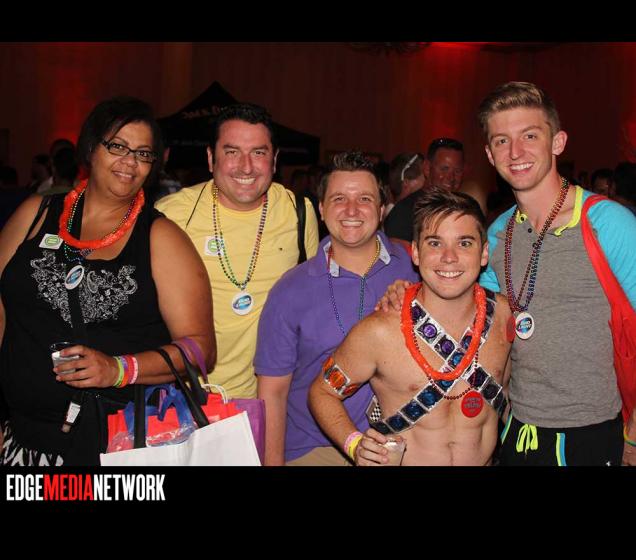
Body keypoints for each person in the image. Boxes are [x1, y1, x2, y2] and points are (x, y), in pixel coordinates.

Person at [0, 96, 215, 465]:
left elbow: (200, 350)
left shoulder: (161, 239)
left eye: (143, 153)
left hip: (111, 450)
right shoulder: (34, 215)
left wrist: (118, 369)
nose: (130, 161)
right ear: (90, 148)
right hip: (21, 443)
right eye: (118, 146)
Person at [477, 81, 636, 466]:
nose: (515, 152)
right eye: (502, 141)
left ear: (558, 142)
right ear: (489, 154)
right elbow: (478, 321)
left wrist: (634, 434)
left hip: (596, 432)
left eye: (530, 135)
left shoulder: (607, 223)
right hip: (518, 431)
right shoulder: (496, 234)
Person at [308, 188, 512, 466]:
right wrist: (354, 445)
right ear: (415, 252)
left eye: (464, 243)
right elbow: (322, 392)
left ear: (484, 252)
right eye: (435, 243)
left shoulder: (504, 317)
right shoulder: (380, 331)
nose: (449, 257)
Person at [254, 151, 419, 466]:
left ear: (382, 209)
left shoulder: (414, 268)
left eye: (365, 199)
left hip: (403, 441)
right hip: (317, 447)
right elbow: (272, 393)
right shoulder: (289, 291)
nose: (352, 210)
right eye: (339, 199)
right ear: (321, 209)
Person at [156, 103, 319, 399]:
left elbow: (311, 299)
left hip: (268, 398)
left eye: (258, 153)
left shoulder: (299, 212)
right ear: (211, 158)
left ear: (274, 160)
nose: (246, 167)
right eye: (232, 152)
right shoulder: (172, 215)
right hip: (189, 397)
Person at [384, 138, 465, 245]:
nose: (451, 177)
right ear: (427, 168)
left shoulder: (465, 209)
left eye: (457, 171)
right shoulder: (405, 212)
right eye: (444, 169)